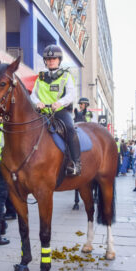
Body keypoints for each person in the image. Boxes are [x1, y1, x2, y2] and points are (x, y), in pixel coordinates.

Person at [31, 44, 81, 176]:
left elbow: (71, 95)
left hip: (60, 112)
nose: (51, 61)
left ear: (59, 60)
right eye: (48, 59)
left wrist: (60, 103)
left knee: (70, 129)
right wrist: (38, 102)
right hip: (42, 113)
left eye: (54, 59)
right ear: (45, 61)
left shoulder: (66, 76)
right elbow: (33, 95)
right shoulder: (40, 77)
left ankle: (76, 163)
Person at [72, 97, 93, 210]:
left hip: (86, 131)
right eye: (80, 104)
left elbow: (88, 124)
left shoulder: (88, 113)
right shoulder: (77, 112)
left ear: (86, 104)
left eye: (82, 104)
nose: (81, 105)